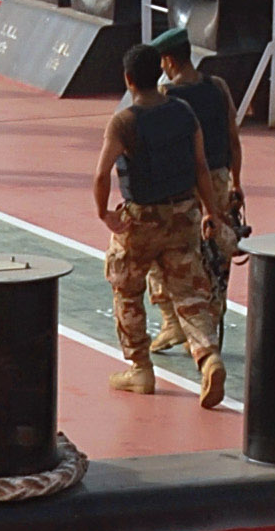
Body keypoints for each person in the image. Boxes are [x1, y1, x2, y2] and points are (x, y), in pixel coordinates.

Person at [92, 40, 228, 407]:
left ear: (128, 79)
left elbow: (102, 173)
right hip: (183, 214)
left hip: (141, 220)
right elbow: (201, 166)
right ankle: (208, 357)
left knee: (127, 290)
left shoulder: (124, 122)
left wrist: (104, 213)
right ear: (158, 73)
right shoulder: (184, 112)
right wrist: (211, 212)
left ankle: (140, 369)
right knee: (191, 292)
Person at [149, 25, 244, 356]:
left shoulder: (165, 96)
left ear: (170, 60)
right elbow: (233, 139)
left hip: (184, 185)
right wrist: (236, 183)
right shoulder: (218, 87)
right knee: (216, 255)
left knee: (166, 250)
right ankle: (209, 330)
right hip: (219, 179)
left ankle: (172, 322)